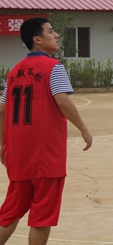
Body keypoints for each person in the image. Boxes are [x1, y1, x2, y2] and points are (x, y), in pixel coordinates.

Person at [0, 17, 93, 245]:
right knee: (42, 217)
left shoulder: (13, 72)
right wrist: (84, 129)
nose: (56, 35)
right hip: (46, 156)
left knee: (10, 213)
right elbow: (62, 101)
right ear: (37, 39)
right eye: (51, 31)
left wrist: (2, 145)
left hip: (18, 155)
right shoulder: (53, 67)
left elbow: (2, 111)